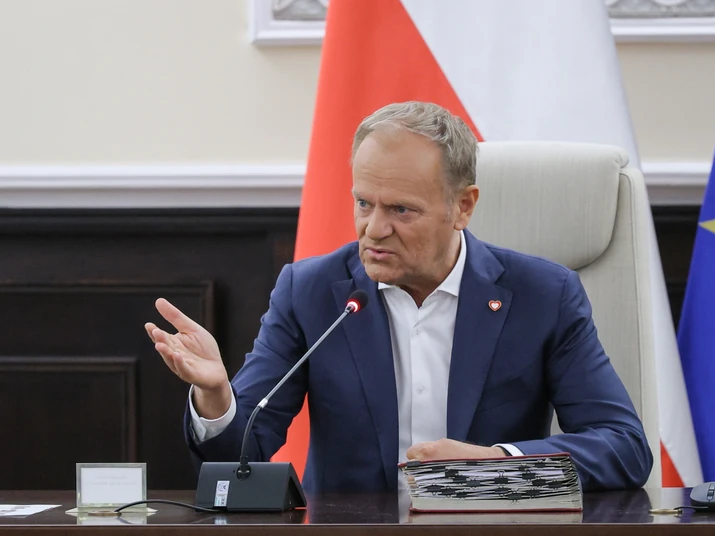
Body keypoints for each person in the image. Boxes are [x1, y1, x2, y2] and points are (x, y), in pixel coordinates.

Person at [145, 101, 653, 494]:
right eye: (363, 203)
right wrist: (216, 397)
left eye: (401, 210)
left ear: (463, 206)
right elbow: (242, 458)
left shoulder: (543, 294)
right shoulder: (311, 291)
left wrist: (498, 463)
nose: (374, 229)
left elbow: (623, 447)